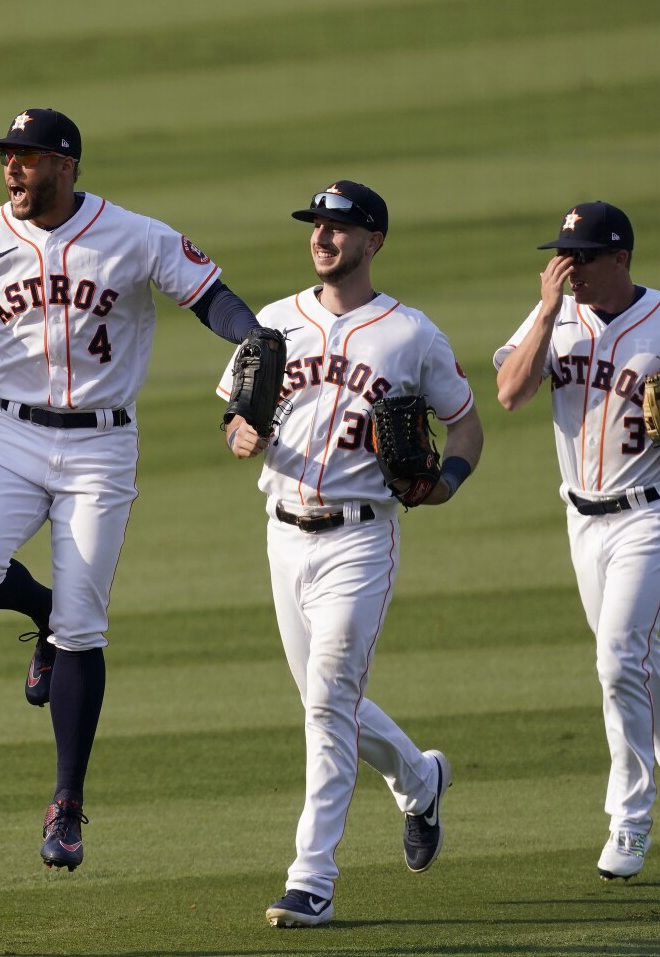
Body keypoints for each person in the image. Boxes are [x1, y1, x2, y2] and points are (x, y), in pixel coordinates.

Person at [0, 108, 264, 870]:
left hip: (103, 444)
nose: (12, 169)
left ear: (66, 165)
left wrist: (248, 333)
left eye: (26, 157)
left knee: (86, 624)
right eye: (7, 157)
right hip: (14, 438)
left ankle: (66, 803)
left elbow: (212, 296)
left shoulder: (135, 234)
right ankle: (41, 616)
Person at [220, 182, 483, 928]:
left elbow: (465, 428)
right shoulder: (274, 322)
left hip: (362, 539)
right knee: (326, 704)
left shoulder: (410, 334)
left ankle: (312, 878)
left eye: (339, 227)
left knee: (329, 702)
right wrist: (238, 431)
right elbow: (236, 412)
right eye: (317, 225)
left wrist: (446, 485)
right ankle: (422, 779)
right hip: (282, 533)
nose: (323, 237)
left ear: (374, 241)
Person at [495, 201, 660, 879]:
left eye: (581, 256)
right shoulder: (553, 317)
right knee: (636, 658)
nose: (569, 267)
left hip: (656, 512)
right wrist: (547, 312)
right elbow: (508, 392)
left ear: (620, 258)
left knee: (618, 657)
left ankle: (630, 820)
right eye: (563, 255)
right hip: (582, 520)